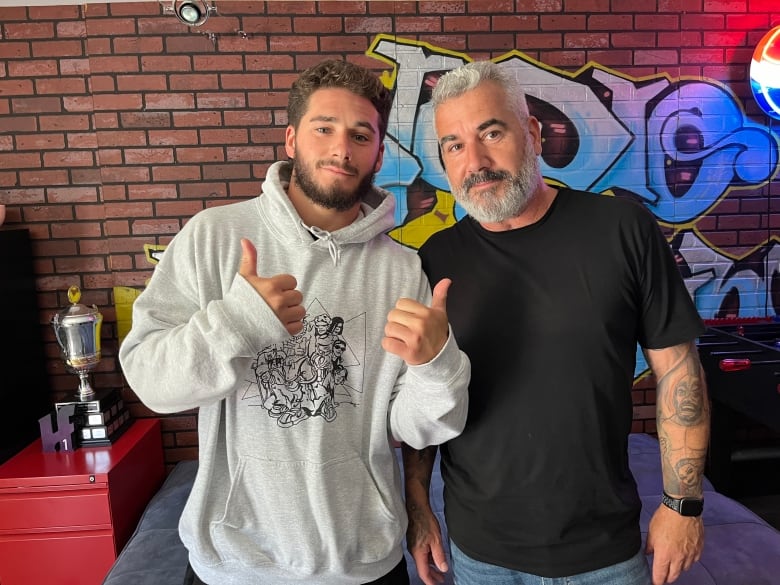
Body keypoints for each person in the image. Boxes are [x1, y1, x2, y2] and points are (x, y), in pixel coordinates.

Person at [119, 59, 471, 585]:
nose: (341, 148)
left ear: (378, 152)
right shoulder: (214, 237)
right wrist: (237, 322)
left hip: (364, 563)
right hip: (235, 566)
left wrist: (437, 367)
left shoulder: (402, 270)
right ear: (290, 140)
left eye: (361, 134)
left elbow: (412, 426)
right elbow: (152, 384)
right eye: (323, 128)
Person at [402, 60, 710, 585]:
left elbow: (679, 373)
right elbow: (421, 397)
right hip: (480, 552)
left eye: (491, 132)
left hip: (604, 550)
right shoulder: (434, 260)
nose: (475, 161)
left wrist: (683, 505)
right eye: (454, 145)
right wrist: (417, 507)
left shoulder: (621, 230)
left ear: (534, 134)